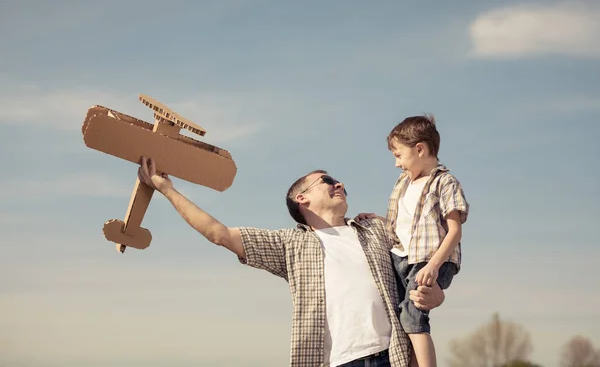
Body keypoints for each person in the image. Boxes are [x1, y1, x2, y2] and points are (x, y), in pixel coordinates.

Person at [137, 156, 445, 367]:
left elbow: (422, 263)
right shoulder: (290, 244)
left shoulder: (376, 229)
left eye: (339, 181)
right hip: (336, 361)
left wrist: (437, 293)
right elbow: (218, 233)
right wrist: (166, 189)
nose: (339, 184)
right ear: (302, 198)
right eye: (328, 181)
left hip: (394, 356)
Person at [378, 115, 468, 367]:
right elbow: (402, 222)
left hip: (430, 259)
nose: (396, 164)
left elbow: (454, 231)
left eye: (398, 155)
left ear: (419, 149)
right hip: (402, 258)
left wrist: (433, 266)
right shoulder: (403, 184)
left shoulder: (444, 183)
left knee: (414, 315)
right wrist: (375, 218)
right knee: (400, 319)